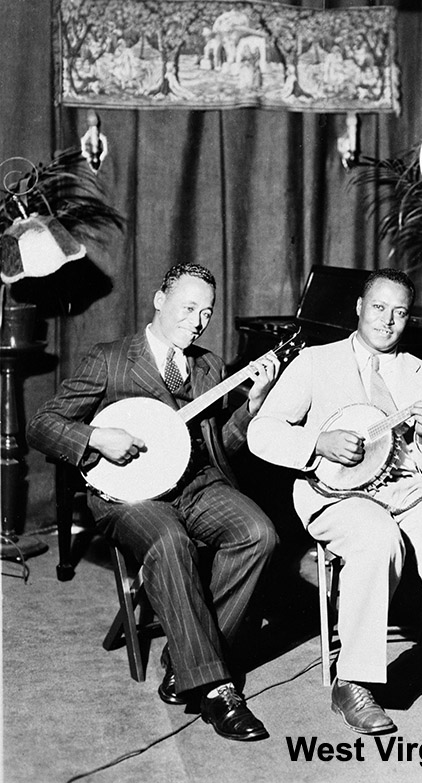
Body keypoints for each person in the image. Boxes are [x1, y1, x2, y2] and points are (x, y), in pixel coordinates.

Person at [246, 268, 422, 748]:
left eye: (400, 312)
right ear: (360, 307)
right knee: (375, 535)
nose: (388, 321)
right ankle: (354, 682)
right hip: (335, 492)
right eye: (379, 307)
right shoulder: (314, 362)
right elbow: (261, 431)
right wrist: (317, 441)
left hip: (405, 487)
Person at [27, 262, 279, 742]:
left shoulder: (209, 366)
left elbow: (219, 446)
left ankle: (183, 659)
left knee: (259, 534)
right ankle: (215, 687)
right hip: (131, 494)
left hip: (194, 484)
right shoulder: (110, 358)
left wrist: (254, 406)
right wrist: (97, 436)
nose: (197, 321)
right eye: (187, 307)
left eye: (206, 312)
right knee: (168, 540)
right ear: (159, 300)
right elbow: (44, 423)